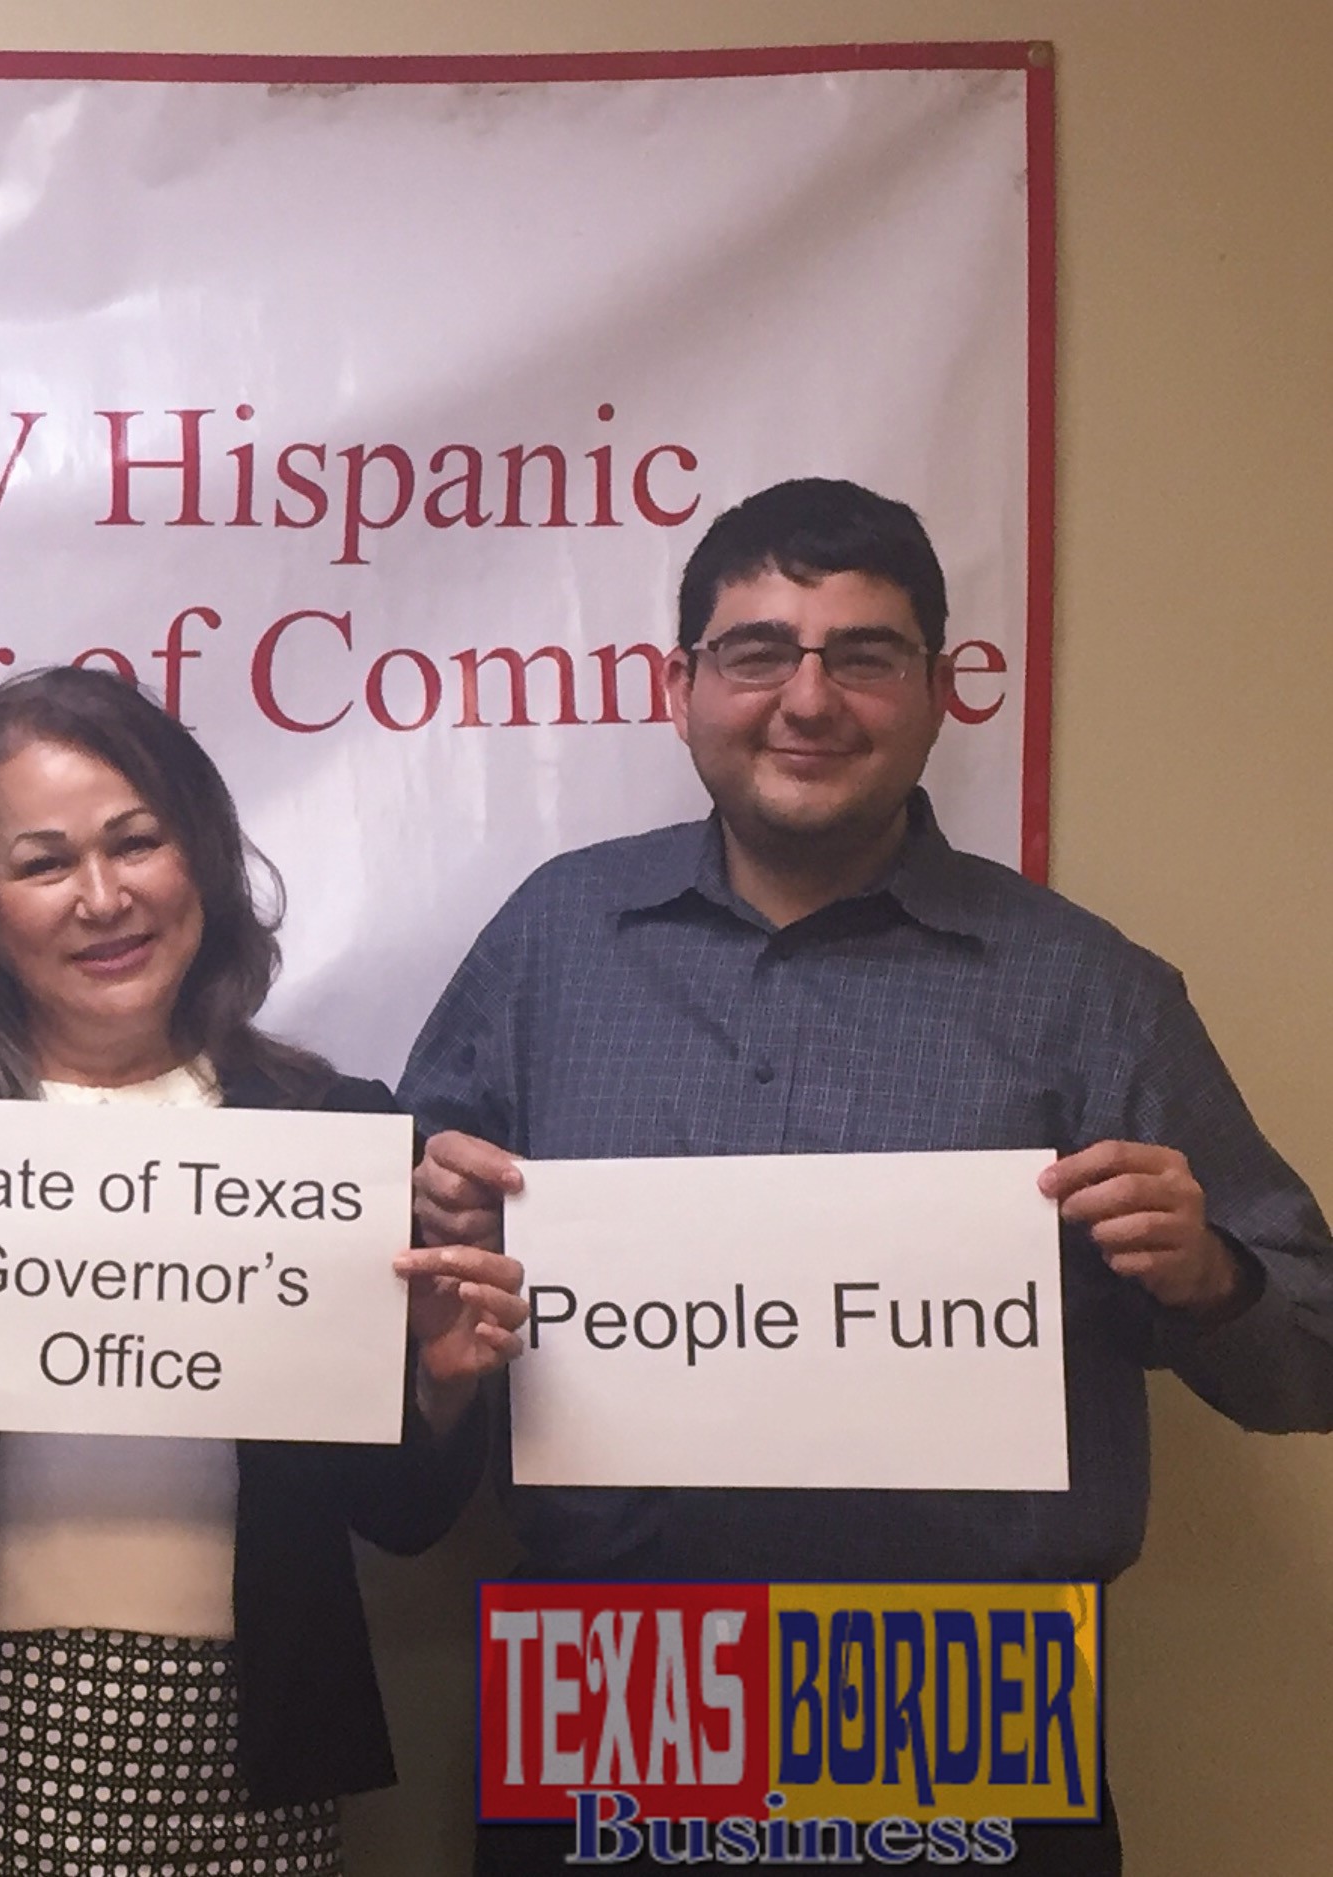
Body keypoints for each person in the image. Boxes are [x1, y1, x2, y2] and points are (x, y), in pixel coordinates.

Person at [401, 477, 1333, 1874]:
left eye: (864, 653)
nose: (807, 697)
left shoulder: (1087, 988)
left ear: (941, 689)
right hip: (613, 1685)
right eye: (758, 650)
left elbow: (1309, 1361)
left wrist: (1208, 1275)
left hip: (967, 1698)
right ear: (680, 686)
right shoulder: (551, 944)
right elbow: (388, 1319)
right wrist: (427, 1251)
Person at [0, 665, 529, 1877]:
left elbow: (401, 1518)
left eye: (138, 842)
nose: (103, 896)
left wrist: (442, 1383)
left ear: (202, 861)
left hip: (247, 1756)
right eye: (42, 861)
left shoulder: (332, 1127)